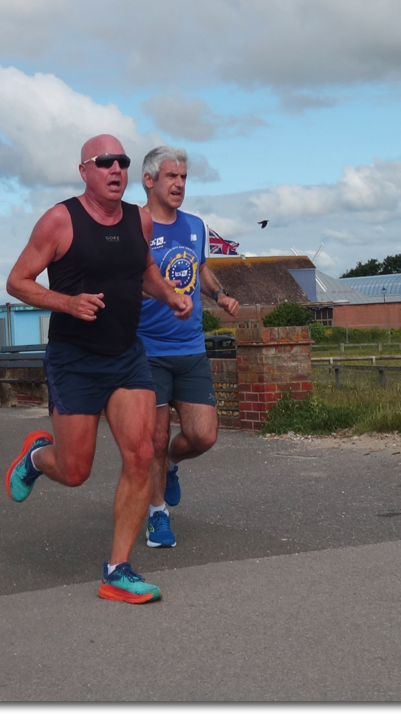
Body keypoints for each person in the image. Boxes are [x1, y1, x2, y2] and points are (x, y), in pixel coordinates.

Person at [3, 134, 191, 604]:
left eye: (122, 162)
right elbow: (17, 281)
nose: (115, 169)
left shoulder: (139, 219)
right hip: (75, 359)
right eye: (104, 162)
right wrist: (65, 301)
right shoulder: (59, 221)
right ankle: (35, 458)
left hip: (127, 354)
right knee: (75, 471)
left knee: (142, 455)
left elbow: (143, 269)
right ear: (84, 169)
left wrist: (168, 294)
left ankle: (118, 569)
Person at [136, 146, 240, 550]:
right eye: (170, 177)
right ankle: (157, 514)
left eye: (183, 177)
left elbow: (199, 269)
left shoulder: (195, 225)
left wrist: (220, 295)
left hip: (191, 347)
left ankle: (172, 467)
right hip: (147, 349)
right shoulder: (134, 226)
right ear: (149, 180)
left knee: (203, 436)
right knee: (155, 440)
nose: (178, 184)